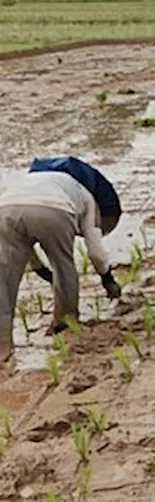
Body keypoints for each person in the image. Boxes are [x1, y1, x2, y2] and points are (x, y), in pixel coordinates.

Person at [0, 156, 122, 365]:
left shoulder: (34, 179)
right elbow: (95, 251)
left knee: (3, 279)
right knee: (63, 266)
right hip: (54, 211)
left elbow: (25, 242)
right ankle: (64, 325)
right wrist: (107, 279)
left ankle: (3, 346)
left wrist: (39, 269)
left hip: (5, 208)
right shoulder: (89, 198)